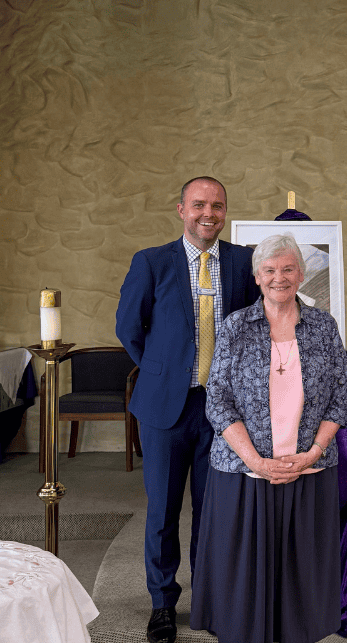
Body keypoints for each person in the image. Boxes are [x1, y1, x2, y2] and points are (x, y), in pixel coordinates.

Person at [116, 176, 259, 643]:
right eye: (199, 205)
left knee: (212, 510)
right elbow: (128, 328)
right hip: (165, 409)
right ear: (181, 209)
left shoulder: (242, 261)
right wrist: (162, 371)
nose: (208, 214)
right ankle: (162, 603)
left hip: (223, 412)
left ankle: (209, 600)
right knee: (162, 509)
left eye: (217, 206)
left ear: (225, 212)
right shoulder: (152, 262)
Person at [191, 234, 347, 643]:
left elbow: (340, 396)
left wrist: (314, 450)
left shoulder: (323, 326)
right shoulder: (235, 326)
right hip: (244, 471)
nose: (279, 277)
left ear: (301, 274)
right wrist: (255, 461)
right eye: (270, 270)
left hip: (308, 467)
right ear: (257, 277)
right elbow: (219, 401)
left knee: (303, 567)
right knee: (243, 570)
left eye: (288, 269)